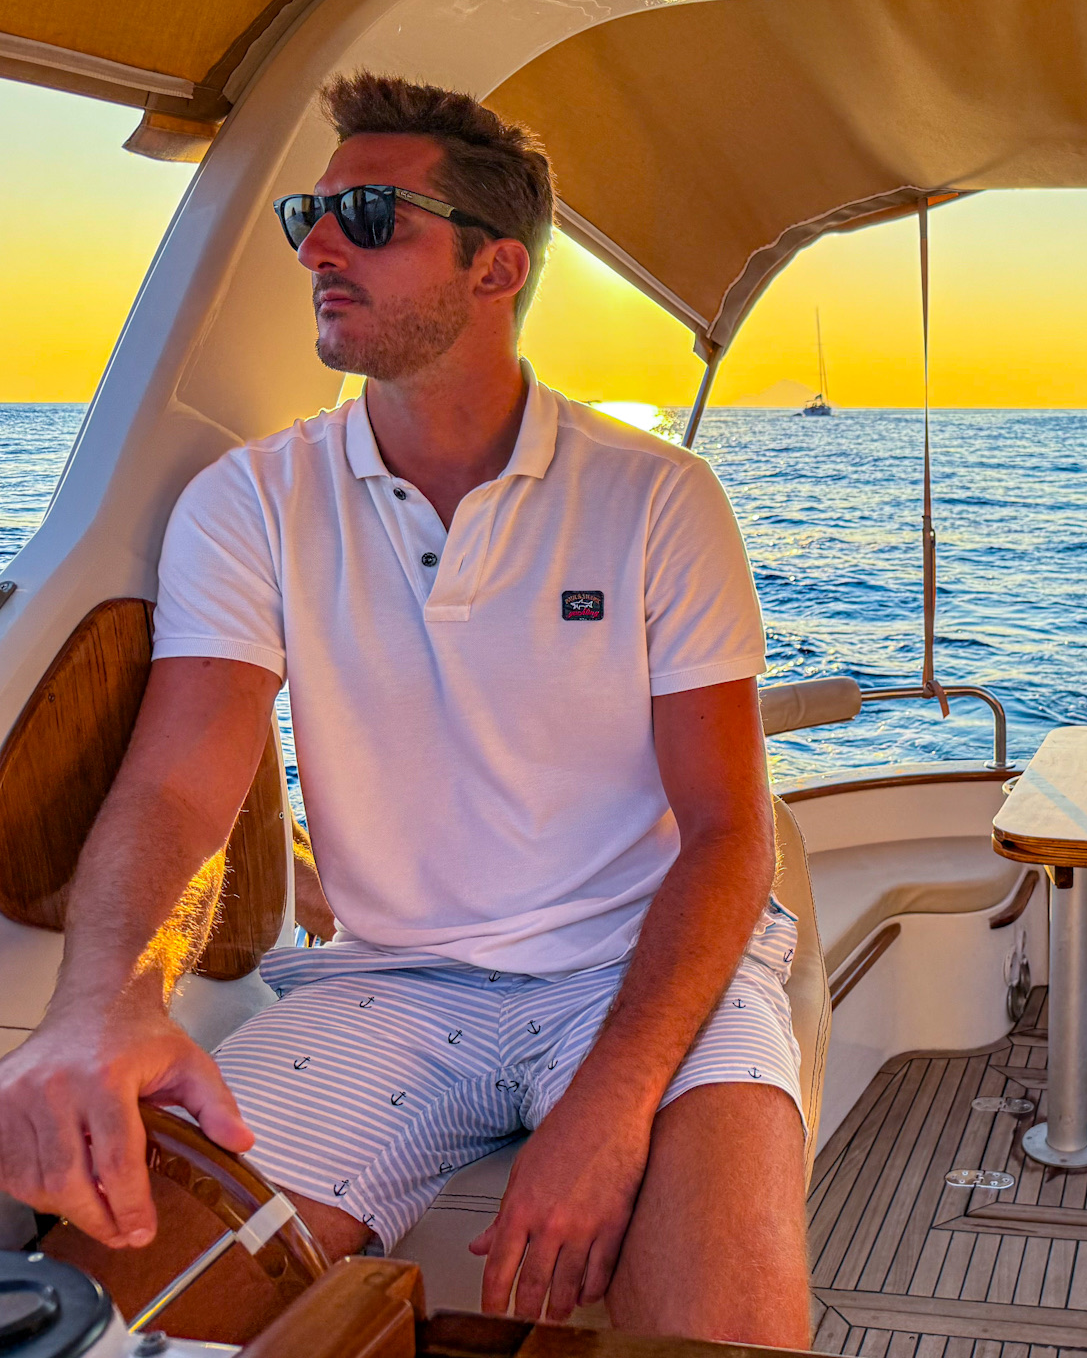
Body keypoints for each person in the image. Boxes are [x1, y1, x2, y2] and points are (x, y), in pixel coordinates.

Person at [0, 73, 810, 1342]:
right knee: (95, 1312)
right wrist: (108, 996)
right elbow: (176, 785)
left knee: (714, 1339)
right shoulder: (250, 502)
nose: (318, 247)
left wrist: (610, 1105)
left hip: (637, 963)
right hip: (393, 984)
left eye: (370, 216)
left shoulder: (658, 497)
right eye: (309, 217)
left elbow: (726, 830)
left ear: (497, 268)